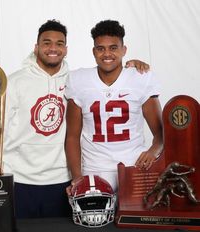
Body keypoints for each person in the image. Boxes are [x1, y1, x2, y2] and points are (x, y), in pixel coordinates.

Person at [0, 19, 151, 218]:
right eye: (46, 43)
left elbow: (105, 75)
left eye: (59, 44)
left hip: (61, 179)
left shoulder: (74, 80)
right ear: (36, 47)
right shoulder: (14, 82)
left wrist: (131, 67)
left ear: (66, 49)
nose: (53, 48)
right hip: (19, 178)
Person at [65, 20, 163, 194]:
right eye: (100, 48)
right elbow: (72, 135)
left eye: (113, 47)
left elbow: (160, 132)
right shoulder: (78, 80)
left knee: (134, 219)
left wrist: (153, 151)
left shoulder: (140, 78)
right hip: (94, 169)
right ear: (94, 51)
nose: (107, 54)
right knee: (95, 220)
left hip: (134, 166)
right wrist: (77, 177)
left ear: (124, 50)